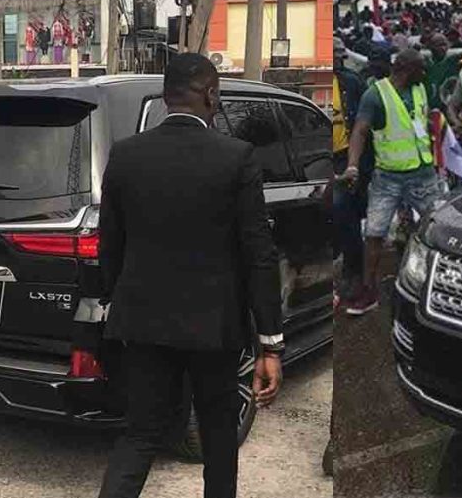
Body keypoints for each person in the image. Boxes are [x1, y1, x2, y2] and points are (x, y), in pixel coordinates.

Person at [97, 53, 284, 498]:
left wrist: (117, 304)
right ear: (212, 94)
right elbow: (259, 254)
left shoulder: (126, 154)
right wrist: (270, 344)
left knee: (140, 435)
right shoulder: (236, 157)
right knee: (219, 438)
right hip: (214, 330)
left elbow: (109, 248)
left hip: (142, 325)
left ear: (165, 97)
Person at [341, 49, 442, 314]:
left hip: (423, 174)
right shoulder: (375, 95)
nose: (425, 74)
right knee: (374, 233)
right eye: (422, 69)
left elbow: (423, 120)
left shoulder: (420, 89)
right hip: (388, 178)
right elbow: (360, 131)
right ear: (407, 69)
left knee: (439, 225)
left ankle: (437, 282)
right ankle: (369, 290)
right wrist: (352, 165)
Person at [330, 38, 370, 303]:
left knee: (347, 215)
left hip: (347, 158)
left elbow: (362, 125)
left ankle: (353, 271)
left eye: (337, 56)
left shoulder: (352, 83)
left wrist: (359, 165)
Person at [425, 33, 461, 111]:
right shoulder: (425, 64)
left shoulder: (453, 61)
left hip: (448, 108)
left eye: (445, 45)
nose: (443, 48)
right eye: (439, 45)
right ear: (431, 47)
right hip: (429, 108)